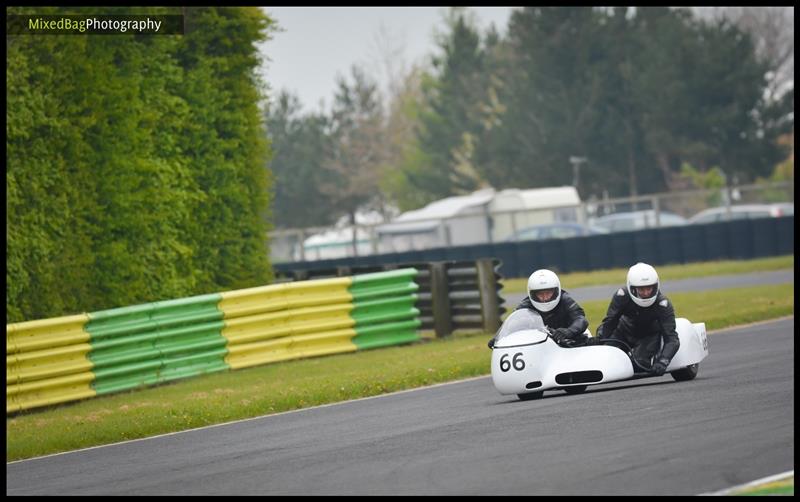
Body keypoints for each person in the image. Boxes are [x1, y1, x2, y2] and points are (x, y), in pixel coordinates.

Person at [596, 262, 680, 376]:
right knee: (604, 359)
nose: (645, 293)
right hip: (623, 331)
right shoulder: (622, 296)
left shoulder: (663, 304)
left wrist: (663, 361)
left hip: (649, 336)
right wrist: (600, 341)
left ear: (655, 286)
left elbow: (672, 338)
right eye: (641, 289)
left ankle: (636, 359)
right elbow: (610, 322)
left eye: (649, 288)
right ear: (632, 288)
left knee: (639, 365)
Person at [488, 268, 591, 348]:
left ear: (556, 291)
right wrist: (498, 338)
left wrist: (568, 331)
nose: (545, 298)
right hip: (539, 346)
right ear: (532, 294)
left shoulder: (565, 300)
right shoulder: (525, 306)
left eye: (548, 293)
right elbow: (511, 323)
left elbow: (581, 320)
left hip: (570, 342)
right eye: (540, 294)